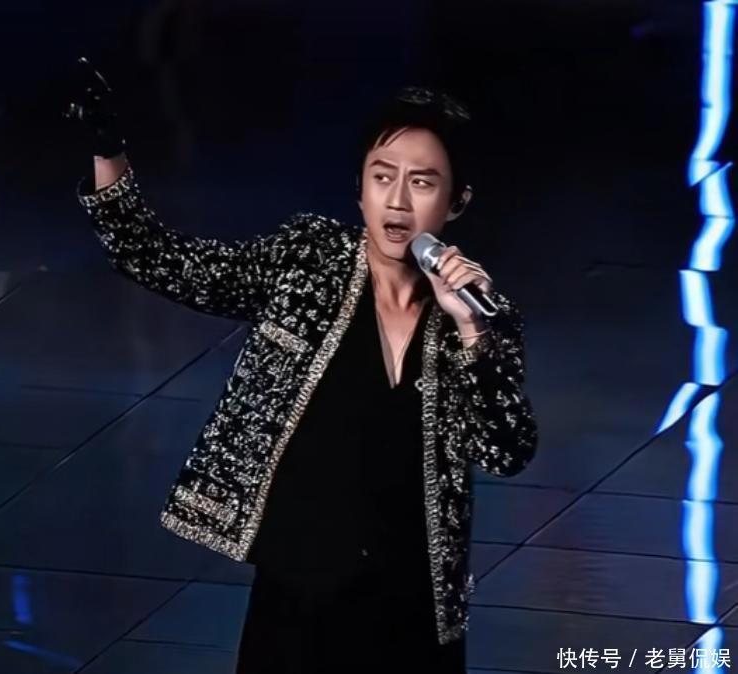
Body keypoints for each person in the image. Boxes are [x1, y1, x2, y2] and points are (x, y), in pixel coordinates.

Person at [67, 57, 538, 674]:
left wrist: (474, 330)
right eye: (382, 176)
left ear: (457, 201)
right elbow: (161, 260)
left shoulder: (478, 316)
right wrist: (108, 153)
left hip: (413, 608)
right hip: (299, 592)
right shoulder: (308, 261)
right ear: (360, 188)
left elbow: (506, 450)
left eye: (422, 183)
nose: (397, 201)